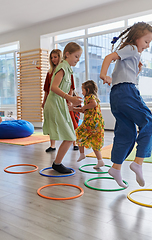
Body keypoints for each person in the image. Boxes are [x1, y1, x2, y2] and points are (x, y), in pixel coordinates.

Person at [100, 22, 152, 188]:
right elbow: (108, 58)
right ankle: (138, 163)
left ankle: (116, 168)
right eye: (146, 41)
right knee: (149, 124)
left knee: (126, 133)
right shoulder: (131, 49)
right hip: (126, 91)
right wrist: (103, 75)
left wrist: (137, 70)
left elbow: (124, 72)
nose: (147, 45)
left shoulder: (132, 53)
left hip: (117, 96)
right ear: (137, 38)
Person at [43, 42, 83, 173]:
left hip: (60, 104)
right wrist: (70, 98)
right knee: (71, 136)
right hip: (54, 104)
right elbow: (53, 88)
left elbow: (67, 88)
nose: (78, 60)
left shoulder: (68, 69)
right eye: (76, 56)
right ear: (67, 54)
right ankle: (57, 163)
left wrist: (70, 101)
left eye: (79, 57)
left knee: (71, 135)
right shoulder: (62, 67)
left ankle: (57, 163)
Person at [42, 49, 78, 152]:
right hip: (54, 100)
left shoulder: (66, 69)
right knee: (52, 123)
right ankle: (53, 145)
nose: (53, 59)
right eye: (52, 57)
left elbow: (71, 87)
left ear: (60, 57)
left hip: (64, 100)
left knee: (70, 121)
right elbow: (48, 89)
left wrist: (69, 100)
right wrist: (44, 101)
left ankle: (74, 142)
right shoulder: (50, 73)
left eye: (55, 57)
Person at [72, 80, 105, 169]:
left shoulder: (89, 97)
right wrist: (73, 109)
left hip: (91, 123)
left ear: (88, 90)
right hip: (97, 123)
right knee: (95, 142)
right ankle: (100, 161)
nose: (82, 92)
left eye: (82, 90)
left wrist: (82, 107)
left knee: (78, 132)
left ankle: (82, 154)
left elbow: (92, 105)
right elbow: (84, 110)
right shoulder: (94, 97)